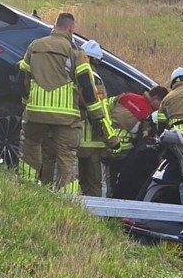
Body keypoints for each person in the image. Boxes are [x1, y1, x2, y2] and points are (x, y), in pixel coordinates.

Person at [17, 13, 112, 192]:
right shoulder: (75, 53)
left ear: (55, 26)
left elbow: (22, 78)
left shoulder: (34, 46)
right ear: (71, 29)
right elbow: (87, 87)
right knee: (67, 157)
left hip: (35, 112)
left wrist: (26, 104)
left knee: (30, 148)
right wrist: (97, 117)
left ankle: (25, 189)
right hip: (66, 118)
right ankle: (68, 201)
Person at [105, 86, 169, 194]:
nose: (161, 108)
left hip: (104, 138)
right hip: (121, 149)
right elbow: (145, 138)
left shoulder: (126, 96)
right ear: (156, 99)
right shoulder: (147, 113)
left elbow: (106, 106)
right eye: (162, 103)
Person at [76, 40, 118, 197]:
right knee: (98, 186)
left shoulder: (72, 75)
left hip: (75, 141)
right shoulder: (95, 79)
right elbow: (101, 111)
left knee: (80, 185)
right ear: (95, 60)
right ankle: (98, 219)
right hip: (94, 143)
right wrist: (111, 139)